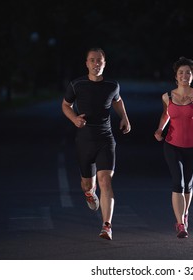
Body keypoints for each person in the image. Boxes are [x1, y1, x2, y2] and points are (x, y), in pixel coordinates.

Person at [62, 47, 131, 241]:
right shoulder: (77, 85)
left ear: (104, 63)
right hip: (84, 140)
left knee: (105, 181)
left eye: (99, 60)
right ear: (87, 63)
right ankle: (90, 193)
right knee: (87, 184)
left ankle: (107, 225)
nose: (96, 64)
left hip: (105, 139)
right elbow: (65, 105)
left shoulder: (112, 85)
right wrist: (74, 119)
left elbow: (117, 100)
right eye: (92, 60)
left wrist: (124, 117)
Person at [154, 56, 193, 238]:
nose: (184, 75)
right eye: (181, 73)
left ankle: (185, 214)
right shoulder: (167, 96)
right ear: (176, 76)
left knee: (188, 184)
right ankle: (180, 224)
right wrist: (159, 130)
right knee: (177, 182)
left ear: (192, 75)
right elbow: (166, 115)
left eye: (188, 73)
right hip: (172, 145)